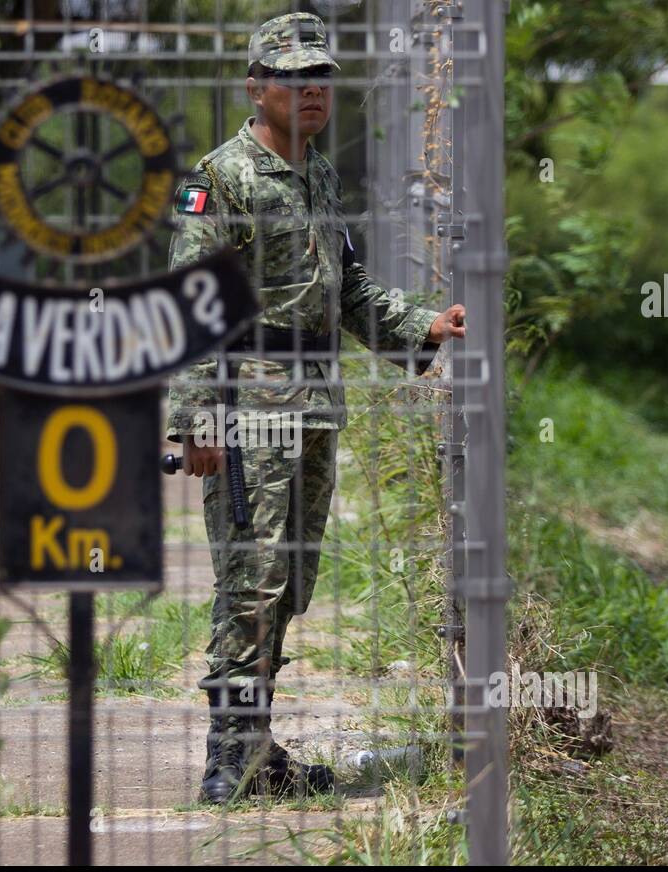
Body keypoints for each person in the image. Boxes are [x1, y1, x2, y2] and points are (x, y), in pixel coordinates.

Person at [166, 12, 467, 804]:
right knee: (252, 579)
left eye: (321, 79)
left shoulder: (319, 174)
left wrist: (420, 328)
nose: (310, 92)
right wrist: (195, 416)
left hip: (314, 406)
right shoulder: (222, 177)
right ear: (256, 87)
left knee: (293, 578)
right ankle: (228, 763)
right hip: (248, 405)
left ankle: (259, 750)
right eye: (293, 79)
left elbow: (351, 290)